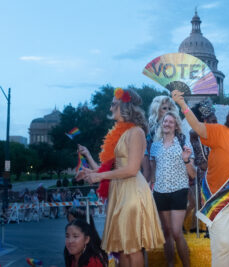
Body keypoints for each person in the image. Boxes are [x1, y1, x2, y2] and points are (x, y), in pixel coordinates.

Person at [77, 88, 165, 267]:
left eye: (113, 105)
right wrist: (91, 173)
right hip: (119, 192)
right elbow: (113, 167)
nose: (110, 109)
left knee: (132, 249)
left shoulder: (136, 132)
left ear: (124, 106)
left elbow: (132, 169)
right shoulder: (121, 133)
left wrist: (99, 175)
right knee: (123, 249)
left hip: (132, 192)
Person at [172, 90, 229, 267]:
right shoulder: (220, 132)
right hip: (220, 201)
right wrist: (183, 105)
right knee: (223, 246)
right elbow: (196, 126)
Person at [150, 111, 196, 267]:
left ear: (176, 125)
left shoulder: (184, 144)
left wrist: (186, 160)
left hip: (178, 190)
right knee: (167, 233)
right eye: (165, 121)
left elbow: (193, 174)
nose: (167, 124)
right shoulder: (155, 147)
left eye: (170, 121)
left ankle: (186, 265)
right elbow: (153, 172)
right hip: (160, 192)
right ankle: (170, 264)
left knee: (176, 232)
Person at [189, 99, 218, 233]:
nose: (215, 122)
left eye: (215, 120)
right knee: (207, 201)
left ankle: (217, 230)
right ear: (203, 121)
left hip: (218, 173)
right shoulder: (195, 134)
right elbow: (202, 162)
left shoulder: (218, 132)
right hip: (206, 174)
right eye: (211, 120)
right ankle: (209, 230)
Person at [143, 96, 179, 182]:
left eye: (170, 108)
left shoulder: (176, 129)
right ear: (157, 110)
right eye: (164, 108)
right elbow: (148, 159)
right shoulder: (150, 130)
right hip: (154, 176)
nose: (168, 111)